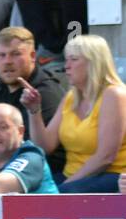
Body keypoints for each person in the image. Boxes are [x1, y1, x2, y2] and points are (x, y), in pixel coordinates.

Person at [21, 33, 126, 192]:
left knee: (55, 195)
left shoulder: (114, 95)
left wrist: (62, 188)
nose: (66, 66)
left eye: (74, 59)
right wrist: (34, 110)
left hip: (111, 176)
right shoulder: (71, 97)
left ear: (94, 63)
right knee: (27, 190)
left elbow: (105, 157)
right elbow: (45, 146)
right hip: (72, 177)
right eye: (66, 59)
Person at [0, 26, 65, 174]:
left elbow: (36, 150)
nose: (7, 62)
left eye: (15, 54)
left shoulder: (46, 93)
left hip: (41, 174)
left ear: (33, 56)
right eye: (2, 55)